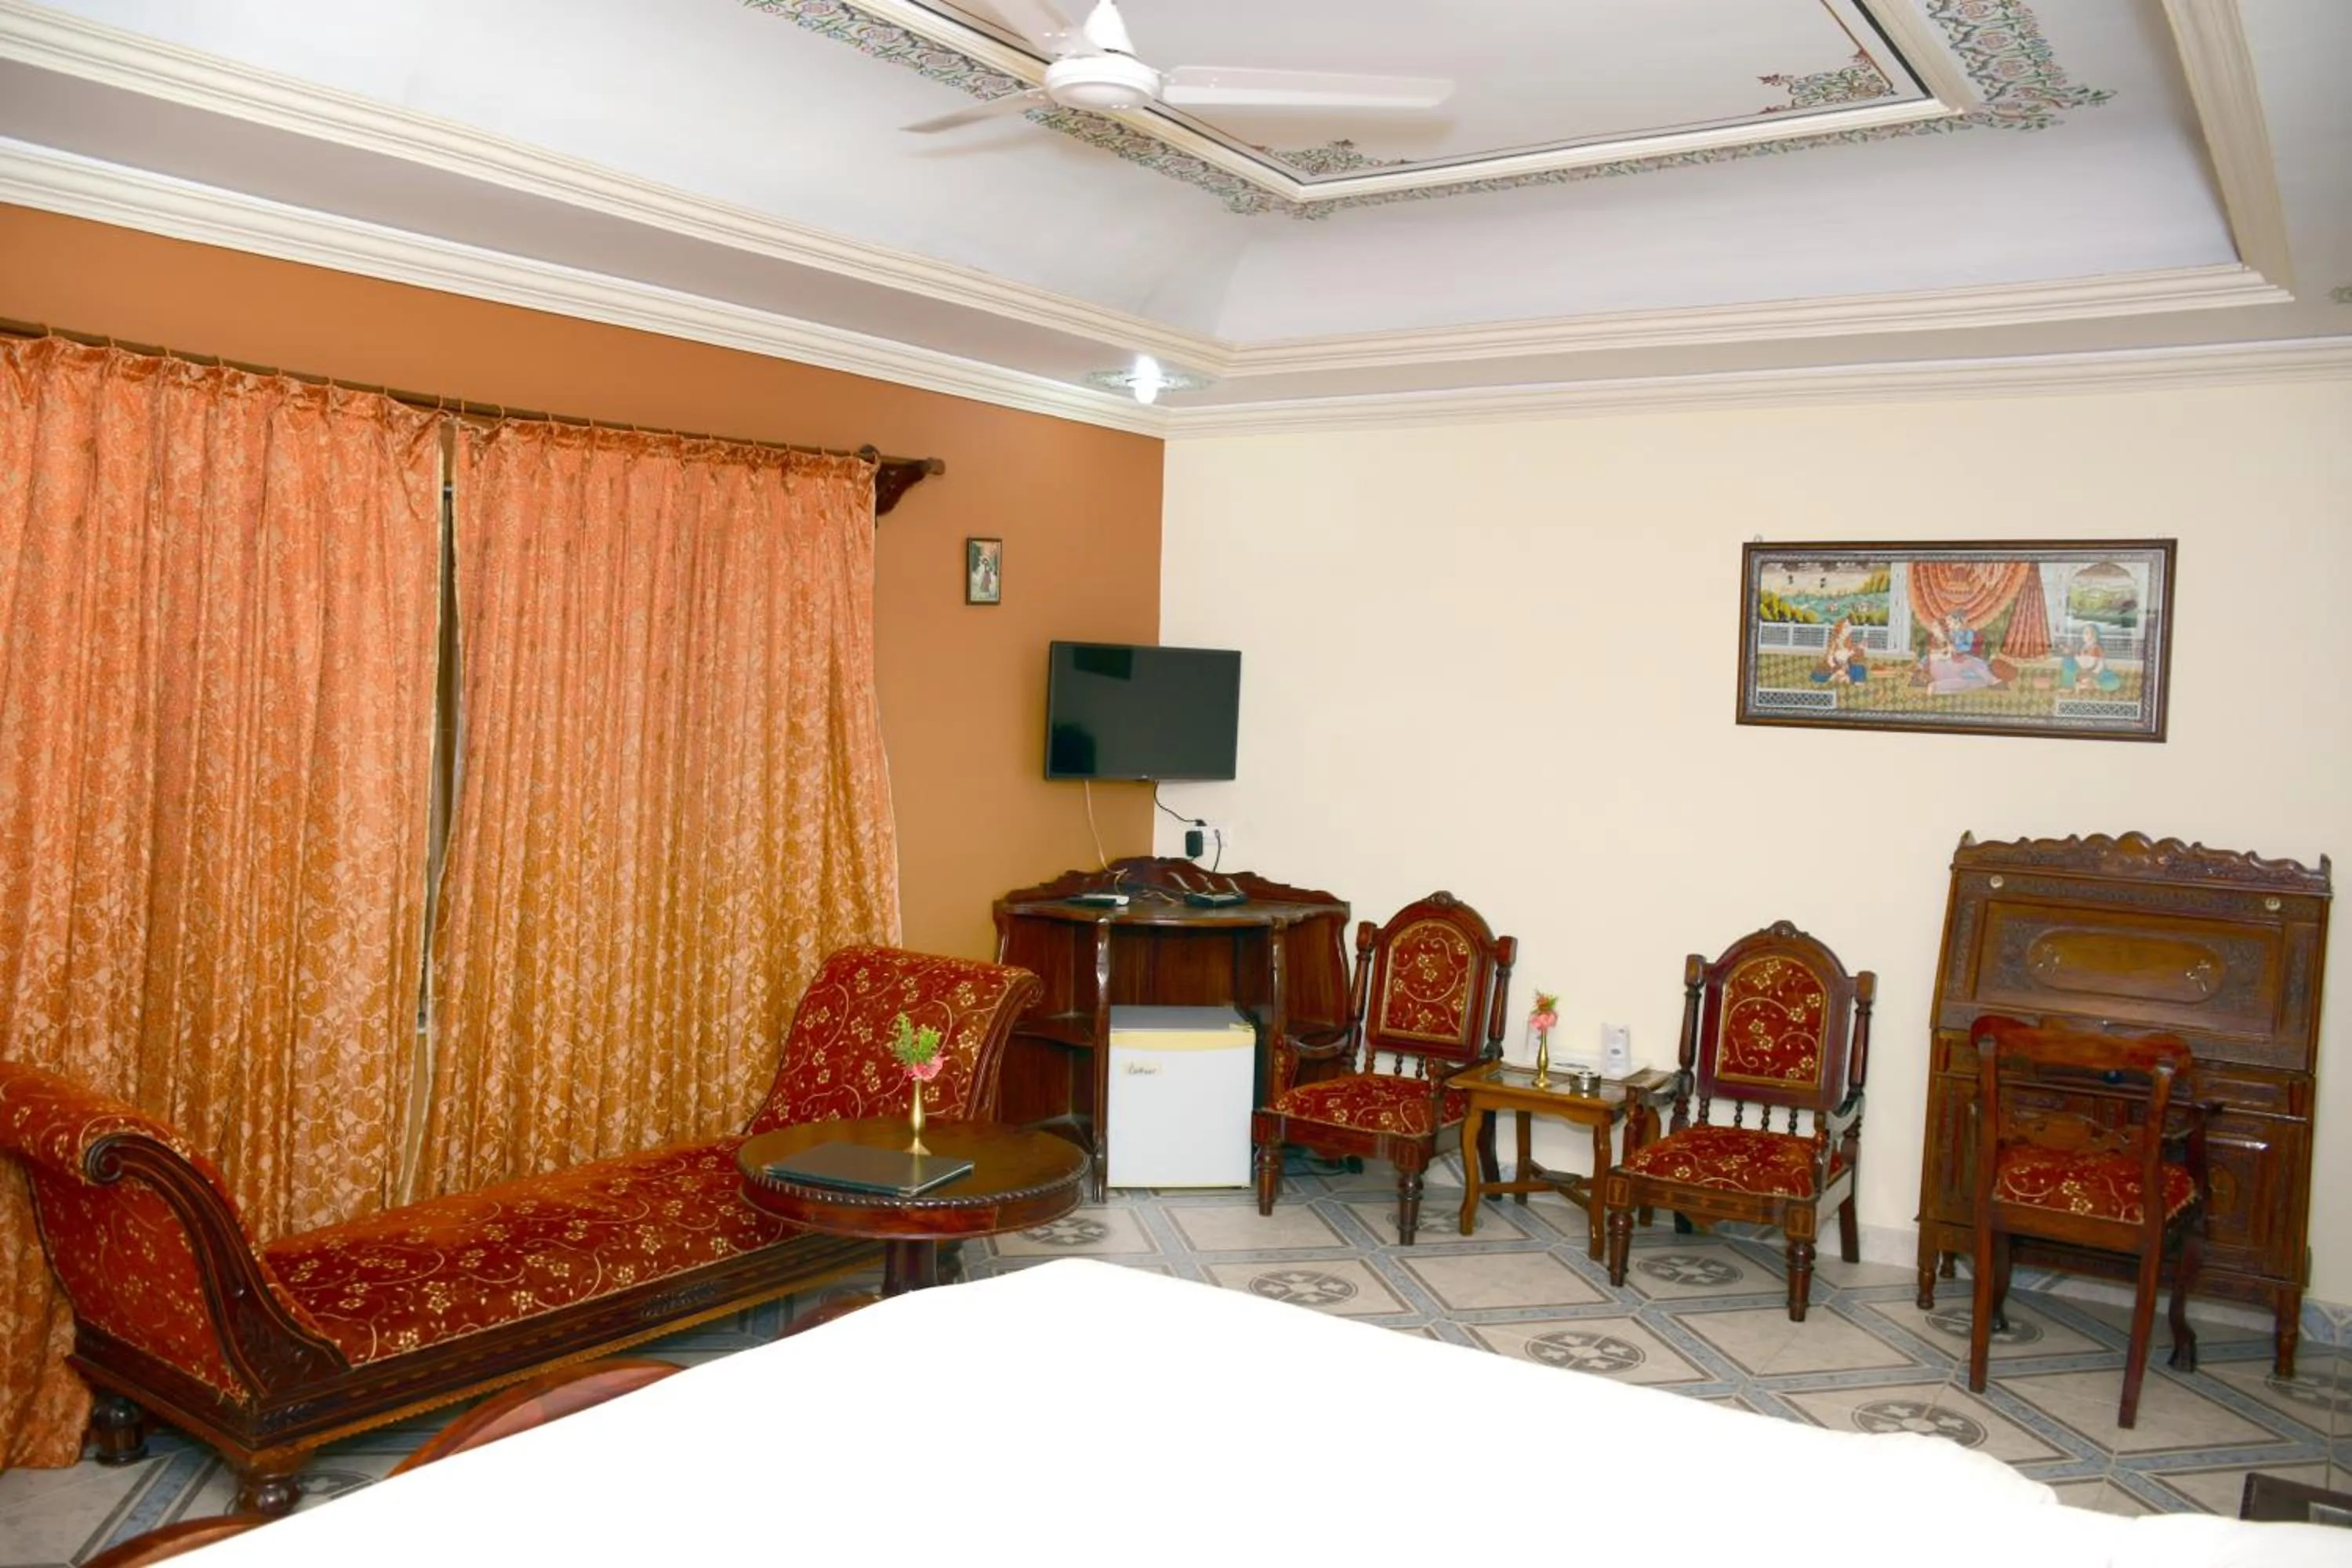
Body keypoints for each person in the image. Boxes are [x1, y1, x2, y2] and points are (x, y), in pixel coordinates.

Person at [1924, 611, 2000, 693]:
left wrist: (1955, 651)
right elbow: (1940, 654)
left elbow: (1963, 648)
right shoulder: (1943, 636)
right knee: (1972, 664)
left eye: (1950, 621)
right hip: (1945, 664)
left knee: (1972, 673)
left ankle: (1990, 679)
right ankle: (1990, 680)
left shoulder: (1959, 633)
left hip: (1953, 661)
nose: (1948, 623)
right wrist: (1952, 652)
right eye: (1948, 621)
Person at [2061, 623, 2122, 691]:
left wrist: (2090, 674)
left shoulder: (2096, 648)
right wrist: (2069, 652)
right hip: (2084, 672)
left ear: (2094, 635)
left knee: (2109, 682)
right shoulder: (2083, 648)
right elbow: (2078, 658)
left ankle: (2084, 683)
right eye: (2085, 633)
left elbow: (2098, 665)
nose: (2086, 636)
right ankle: (2069, 685)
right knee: (2068, 662)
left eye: (2089, 633)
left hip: (2093, 673)